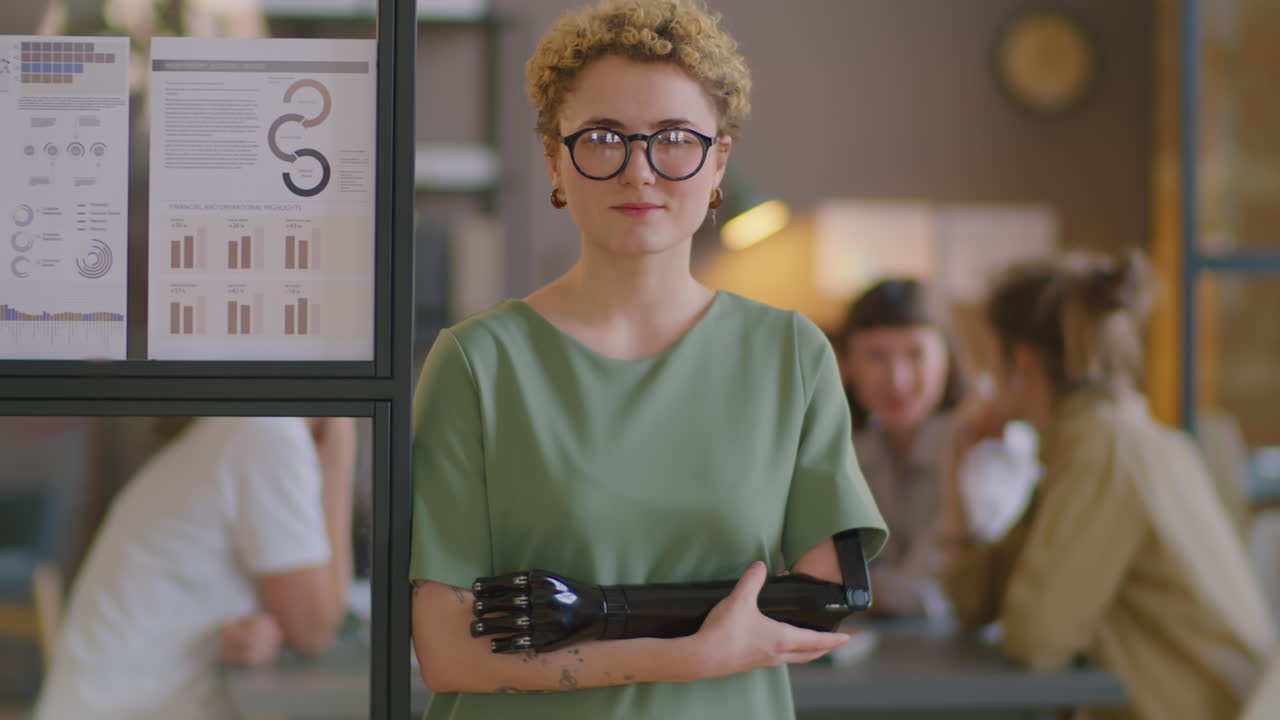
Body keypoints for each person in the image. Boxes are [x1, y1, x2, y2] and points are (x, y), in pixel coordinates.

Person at [408, 1, 887, 719]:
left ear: (719, 158)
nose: (640, 171)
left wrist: (593, 614)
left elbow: (822, 603)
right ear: (554, 159)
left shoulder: (789, 356)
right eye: (604, 138)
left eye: (674, 140)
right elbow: (447, 651)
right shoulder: (479, 364)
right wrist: (689, 653)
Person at [938, 252, 1277, 720]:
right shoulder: (1099, 437)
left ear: (1019, 361)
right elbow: (972, 600)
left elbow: (1036, 639)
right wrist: (956, 463)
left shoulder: (1102, 449)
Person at [33, 416, 356, 720]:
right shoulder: (268, 433)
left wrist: (263, 625)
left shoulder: (235, 429)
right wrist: (339, 454)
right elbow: (315, 631)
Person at [833, 278, 963, 618]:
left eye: (916, 355)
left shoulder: (985, 450)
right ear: (847, 366)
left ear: (946, 358)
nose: (897, 379)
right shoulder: (849, 451)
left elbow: (935, 592)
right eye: (876, 357)